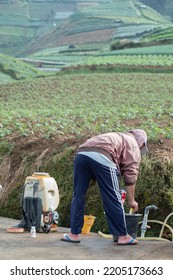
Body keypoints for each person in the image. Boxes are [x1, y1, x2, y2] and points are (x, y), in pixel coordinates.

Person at [61, 129, 148, 245]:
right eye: (142, 145)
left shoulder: (115, 136)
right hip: (103, 156)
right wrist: (131, 200)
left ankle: (73, 234)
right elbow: (131, 174)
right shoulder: (132, 143)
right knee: (113, 197)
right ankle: (123, 236)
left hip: (81, 155)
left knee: (78, 195)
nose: (141, 148)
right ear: (140, 140)